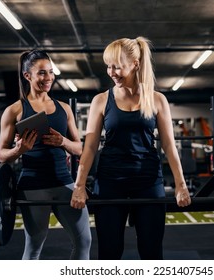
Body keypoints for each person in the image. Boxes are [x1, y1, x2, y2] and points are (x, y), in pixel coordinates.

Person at [70, 37, 191, 260]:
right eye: (108, 66)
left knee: (151, 252)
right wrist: (79, 185)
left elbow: (168, 145)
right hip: (110, 183)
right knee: (109, 252)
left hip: (148, 181)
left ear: (135, 63)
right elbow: (89, 147)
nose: (111, 72)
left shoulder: (157, 99)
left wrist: (180, 185)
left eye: (117, 66)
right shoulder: (100, 100)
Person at [0, 49, 92, 260]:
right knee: (34, 247)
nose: (48, 78)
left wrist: (63, 142)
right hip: (33, 186)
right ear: (27, 75)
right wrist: (19, 150)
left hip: (64, 182)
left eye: (50, 72)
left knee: (84, 241)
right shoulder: (14, 111)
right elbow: (2, 156)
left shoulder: (64, 109)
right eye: (41, 73)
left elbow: (80, 149)